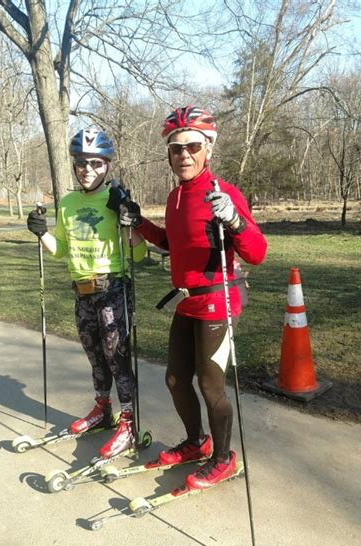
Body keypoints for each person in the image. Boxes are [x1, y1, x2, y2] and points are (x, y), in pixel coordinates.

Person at [121, 106, 267, 490]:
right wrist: (138, 223)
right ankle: (195, 442)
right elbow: (174, 243)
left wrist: (234, 220)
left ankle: (223, 459)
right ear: (168, 154)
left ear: (208, 150)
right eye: (176, 148)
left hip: (219, 300)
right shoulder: (175, 197)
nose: (184, 154)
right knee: (174, 379)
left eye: (192, 146)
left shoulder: (223, 193)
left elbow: (257, 253)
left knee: (210, 384)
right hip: (187, 300)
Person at [26, 128, 146, 459]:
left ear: (107, 164)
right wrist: (41, 233)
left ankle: (129, 422)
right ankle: (102, 410)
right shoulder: (67, 203)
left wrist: (131, 223)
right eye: (80, 163)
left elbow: (138, 256)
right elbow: (60, 250)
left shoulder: (117, 200)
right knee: (94, 355)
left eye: (95, 163)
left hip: (112, 287)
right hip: (82, 291)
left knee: (116, 356)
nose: (87, 169)